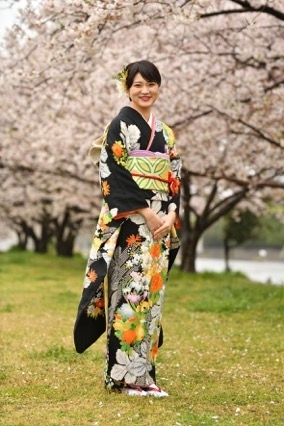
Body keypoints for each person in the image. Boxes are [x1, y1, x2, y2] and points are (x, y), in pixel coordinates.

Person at [74, 60, 182, 397]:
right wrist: (147, 212)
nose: (145, 90)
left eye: (151, 84)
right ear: (127, 88)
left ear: (159, 86)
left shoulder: (166, 131)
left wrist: (171, 211)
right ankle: (121, 378)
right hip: (131, 225)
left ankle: (145, 375)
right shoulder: (119, 125)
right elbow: (113, 174)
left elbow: (174, 173)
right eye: (137, 85)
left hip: (160, 227)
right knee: (129, 295)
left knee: (152, 297)